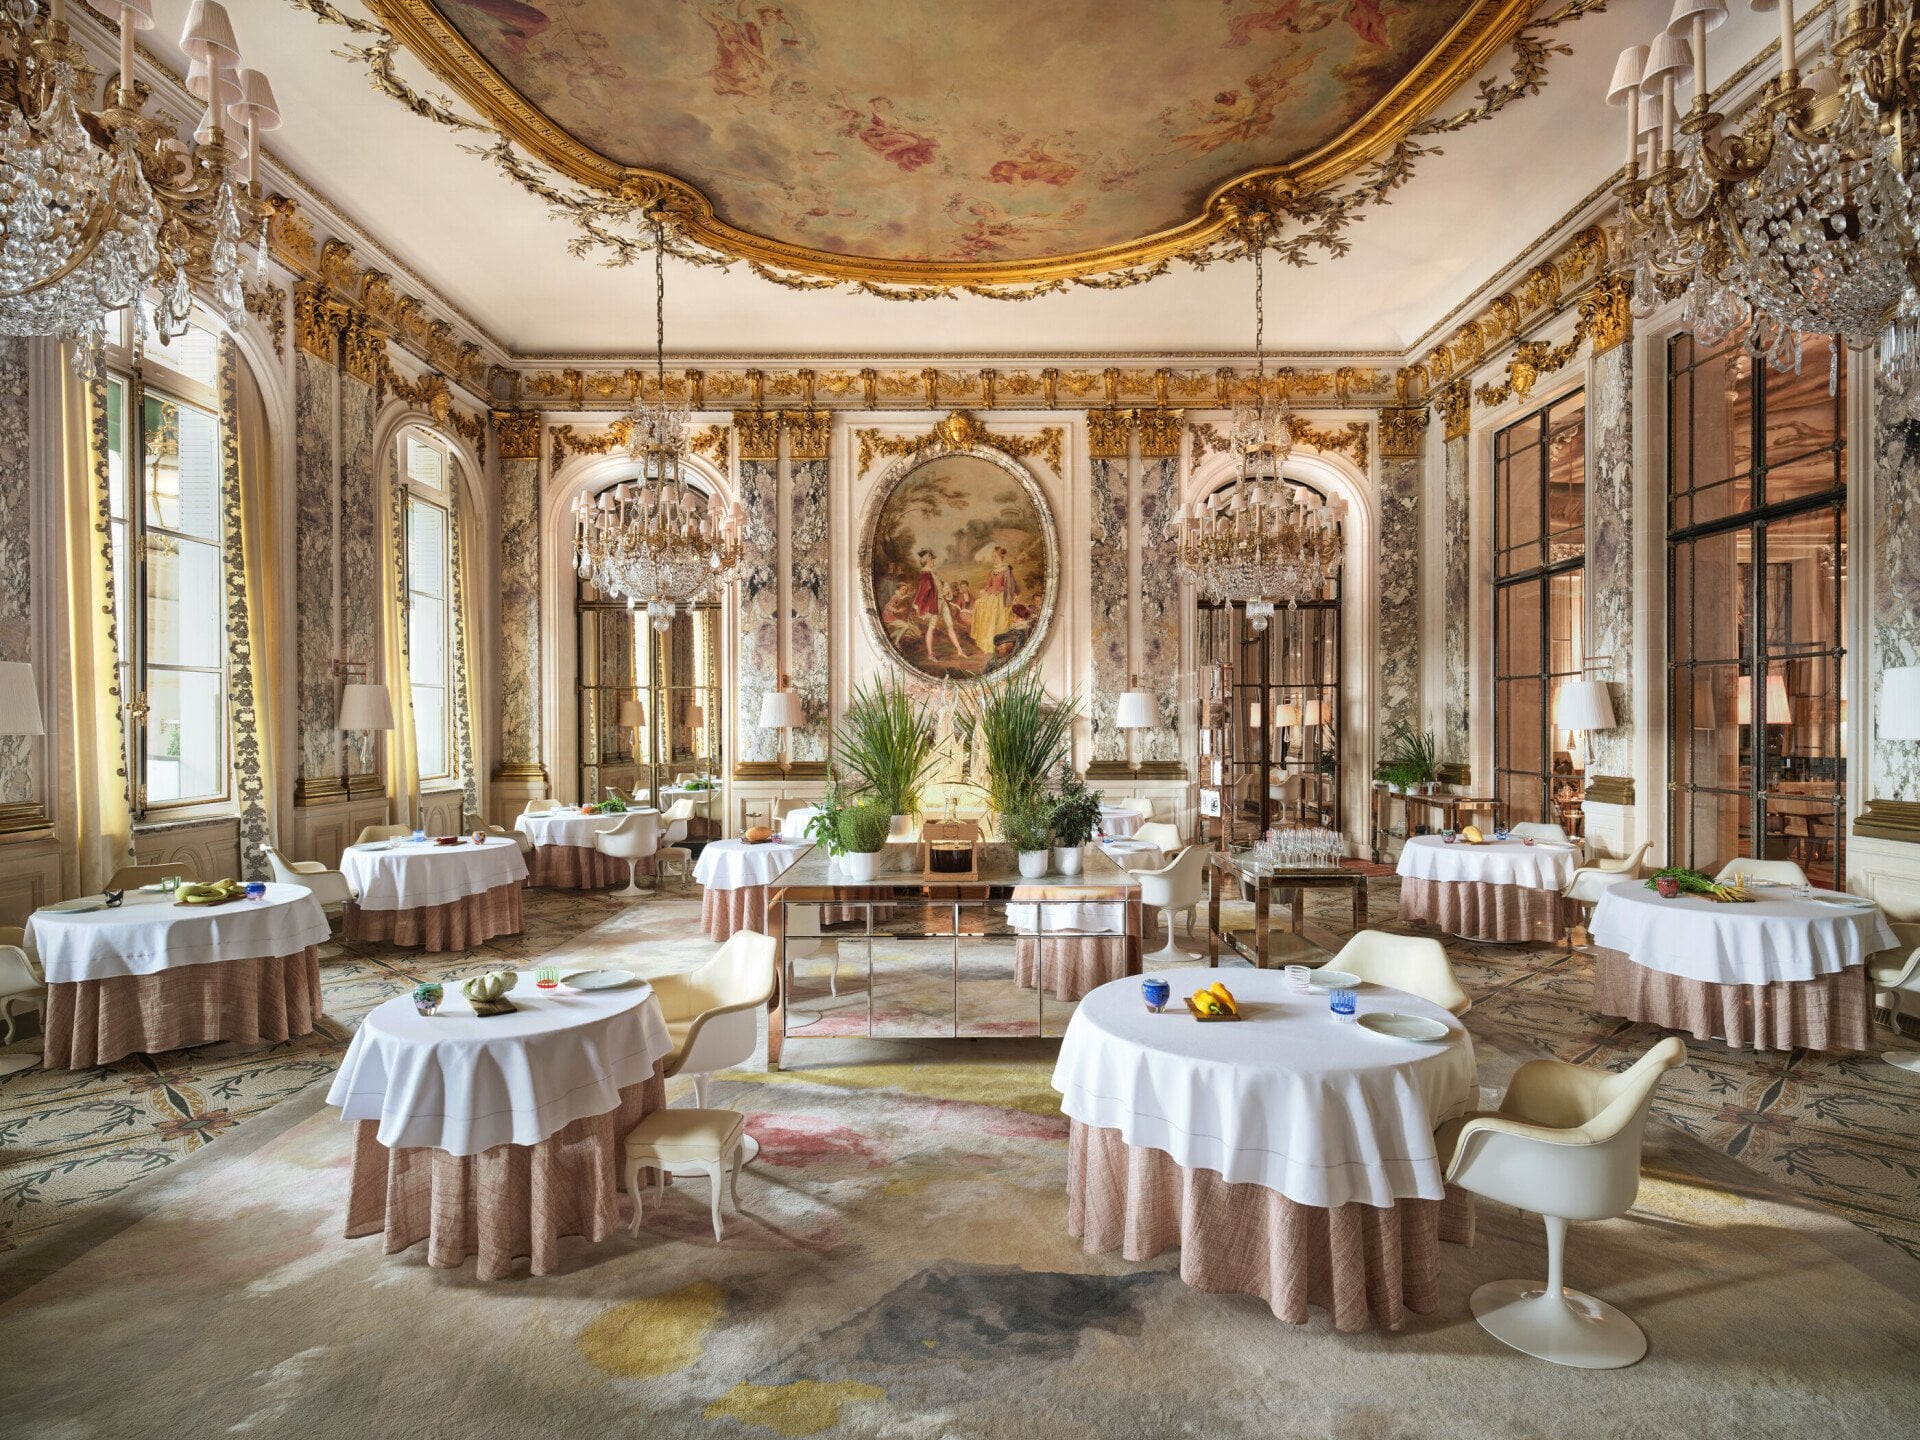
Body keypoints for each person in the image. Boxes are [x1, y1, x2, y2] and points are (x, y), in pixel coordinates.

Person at [969, 545, 1018, 654]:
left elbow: (1009, 586)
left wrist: (999, 589)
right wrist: (985, 590)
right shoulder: (992, 571)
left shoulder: (1006, 569)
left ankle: (999, 644)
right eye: (993, 556)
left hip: (1001, 597)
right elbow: (988, 584)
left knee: (997, 618)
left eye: (995, 557)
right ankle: (987, 643)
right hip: (991, 595)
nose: (993, 558)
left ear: (1001, 557)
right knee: (979, 604)